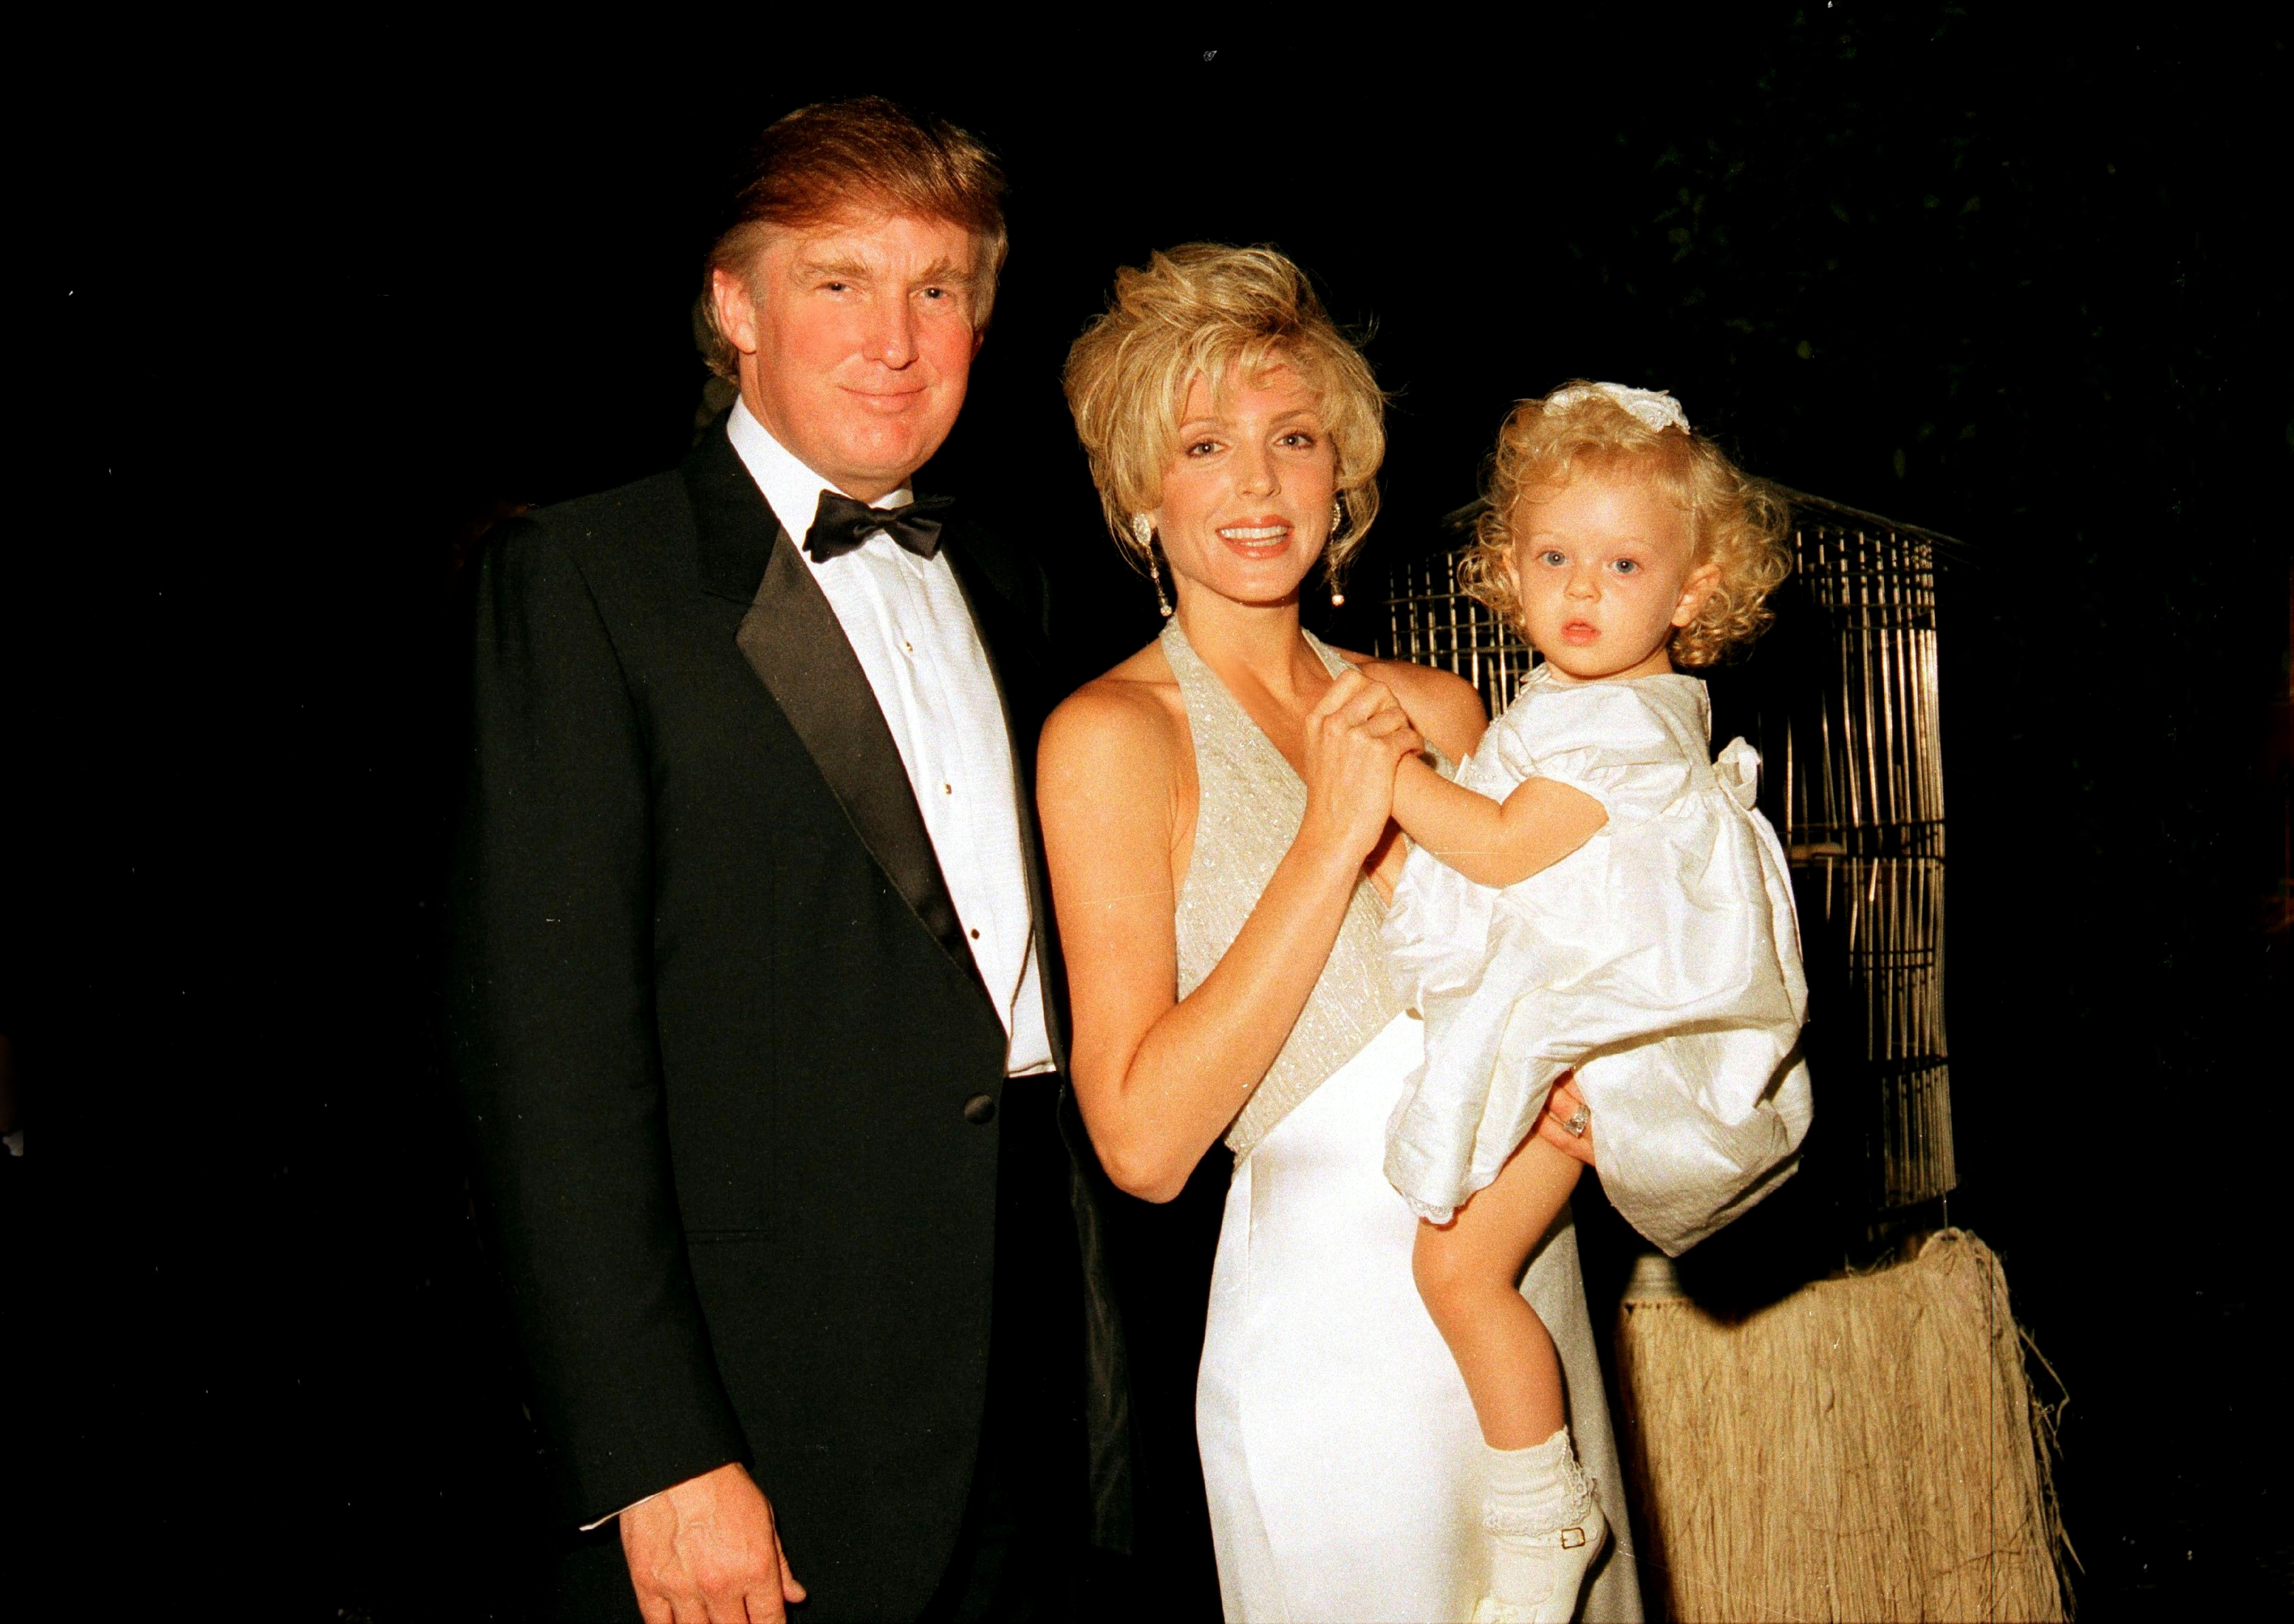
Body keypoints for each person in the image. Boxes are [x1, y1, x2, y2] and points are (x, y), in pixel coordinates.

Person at [446, 98, 1125, 1624]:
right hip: (767, 1427)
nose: (894, 338)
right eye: (838, 281)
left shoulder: (1011, 580)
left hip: (1035, 1405)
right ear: (734, 307)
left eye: (936, 287)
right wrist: (658, 1453)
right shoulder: (583, 580)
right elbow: (544, 1072)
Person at [1038, 246, 1640, 1623]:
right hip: (1331, 1359)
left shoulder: (1445, 709)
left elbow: (1552, 988)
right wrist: (1328, 837)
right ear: (1140, 493)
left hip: (1521, 1298)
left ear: (1343, 474)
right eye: (1204, 445)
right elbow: (1140, 1145)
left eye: (1294, 438)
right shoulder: (1112, 738)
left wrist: (1598, 1080)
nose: (1256, 486)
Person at [1382, 381, 1815, 1621]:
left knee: (1458, 1272)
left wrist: (1386, 776)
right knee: (1463, 1269)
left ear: (1691, 591)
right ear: (1508, 565)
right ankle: (1543, 1510)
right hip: (1574, 1020)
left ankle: (1546, 1519)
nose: (1582, 589)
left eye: (1623, 565)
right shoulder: (1589, 699)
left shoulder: (1619, 721)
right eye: (1553, 557)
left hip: (1595, 1045)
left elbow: (1503, 847)